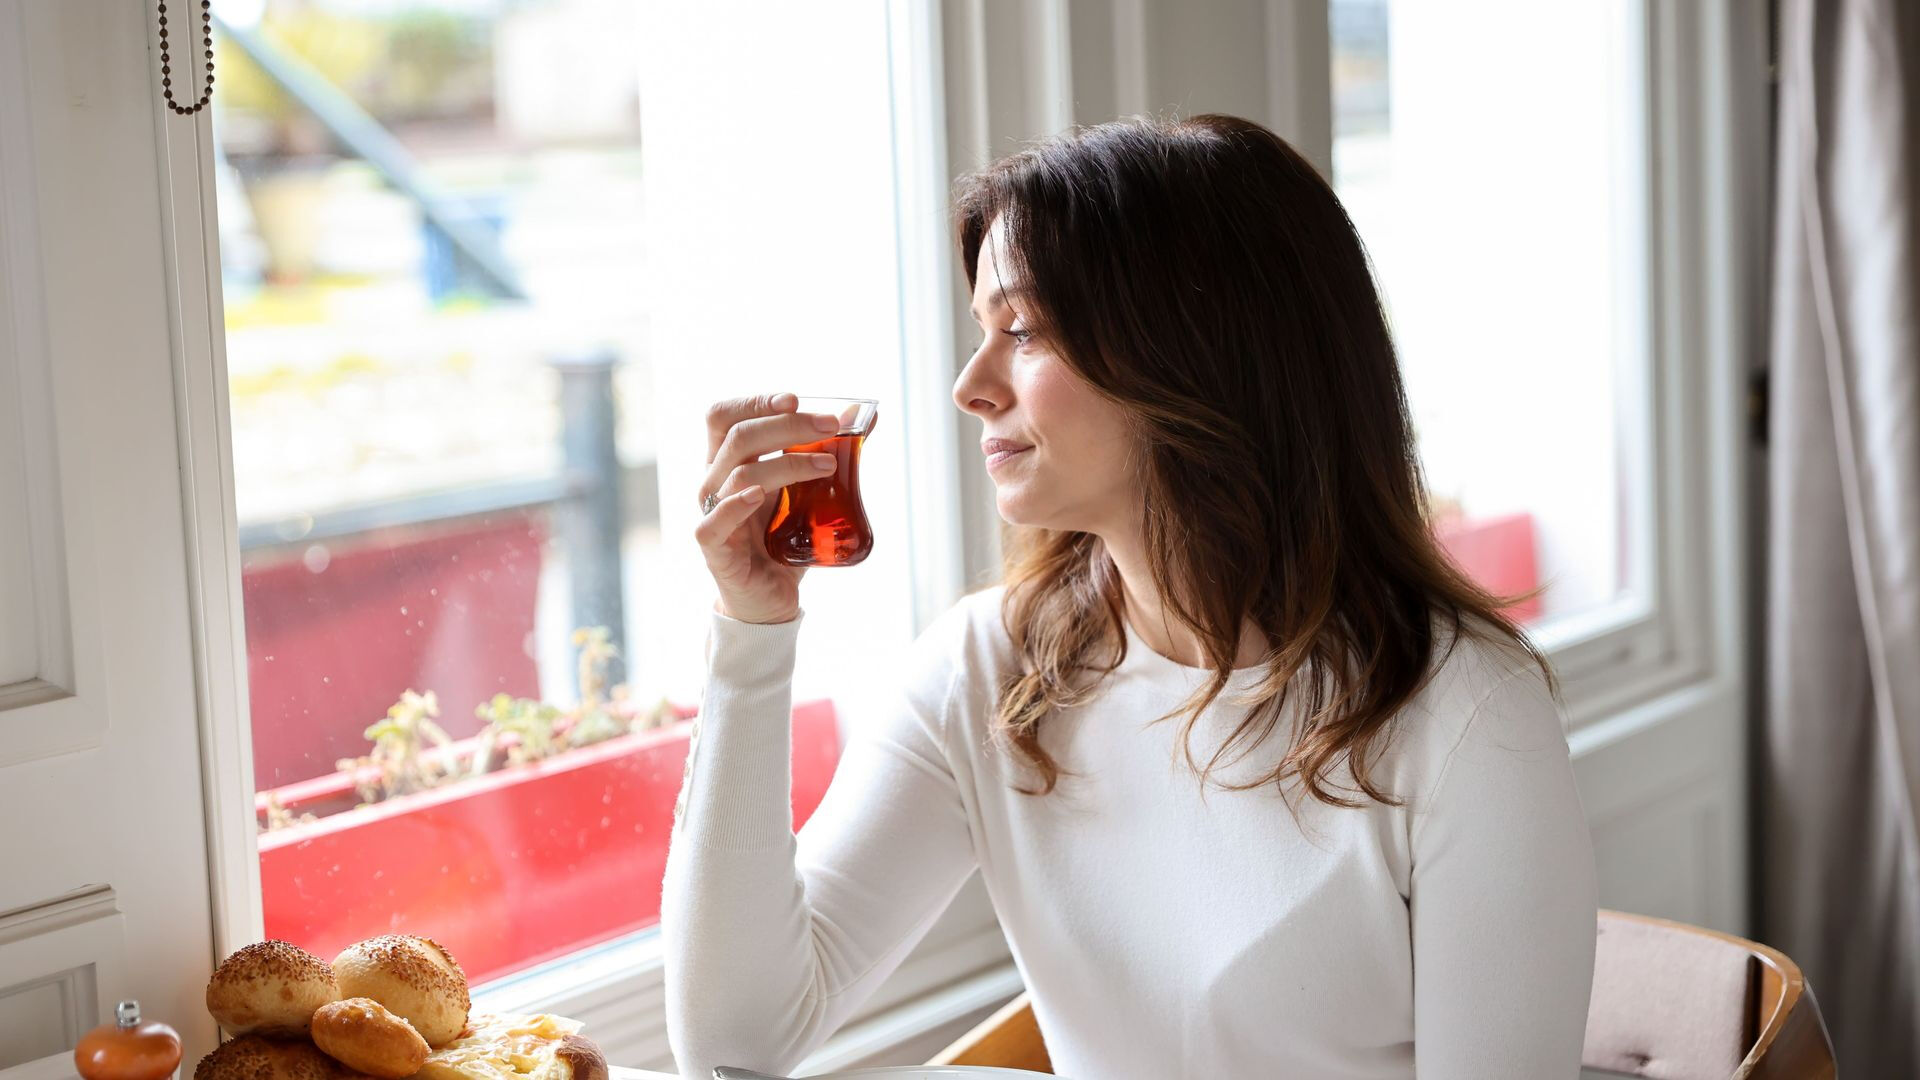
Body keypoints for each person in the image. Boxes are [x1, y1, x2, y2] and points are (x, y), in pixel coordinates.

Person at [663, 113, 1597, 1079]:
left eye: (1021, 330)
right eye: (984, 331)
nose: (970, 386)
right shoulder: (988, 670)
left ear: (1194, 352)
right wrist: (751, 633)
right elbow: (738, 1042)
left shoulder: (1465, 714)